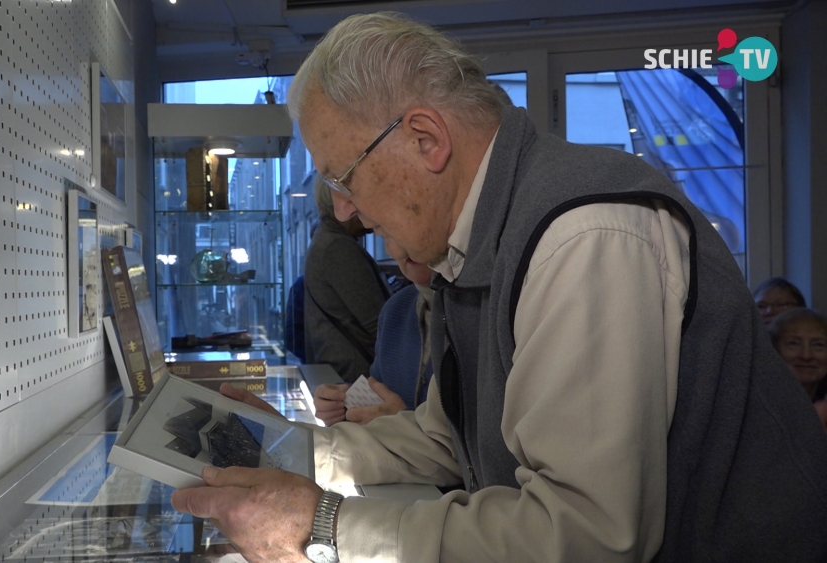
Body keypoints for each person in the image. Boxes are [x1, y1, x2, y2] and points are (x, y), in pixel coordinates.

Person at [172, 12, 827, 563]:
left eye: (342, 177)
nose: (342, 211)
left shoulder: (581, 234)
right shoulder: (477, 242)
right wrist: (288, 452)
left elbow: (585, 536)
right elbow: (442, 435)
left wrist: (323, 524)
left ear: (426, 139)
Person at [314, 236, 434, 425]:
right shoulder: (396, 309)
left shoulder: (481, 310)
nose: (395, 250)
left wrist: (401, 426)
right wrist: (342, 401)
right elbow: (381, 391)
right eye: (385, 233)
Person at [303, 179, 391, 383]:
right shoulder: (337, 248)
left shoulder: (327, 240)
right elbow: (379, 324)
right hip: (357, 376)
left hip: (344, 371)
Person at [768, 307, 827, 429]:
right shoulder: (760, 407)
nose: (806, 355)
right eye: (793, 343)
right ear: (775, 350)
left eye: (818, 345)